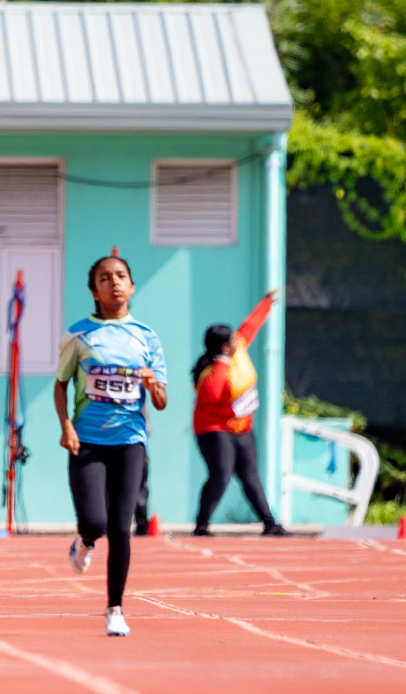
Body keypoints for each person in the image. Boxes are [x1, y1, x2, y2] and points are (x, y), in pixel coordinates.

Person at [54, 254, 167, 637]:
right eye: (105, 278)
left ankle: (115, 608)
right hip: (87, 441)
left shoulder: (146, 337)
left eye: (121, 276)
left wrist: (153, 386)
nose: (114, 282)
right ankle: (85, 540)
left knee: (121, 526)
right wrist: (66, 425)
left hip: (129, 441)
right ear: (94, 291)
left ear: (132, 286)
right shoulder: (79, 335)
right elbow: (60, 383)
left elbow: (162, 400)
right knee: (96, 522)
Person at [192, 289, 289, 536]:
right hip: (213, 429)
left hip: (242, 427)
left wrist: (266, 303)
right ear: (225, 347)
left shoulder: (240, 347)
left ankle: (270, 524)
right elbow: (212, 395)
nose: (238, 339)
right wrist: (223, 361)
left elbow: (250, 326)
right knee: (221, 474)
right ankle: (202, 525)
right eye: (232, 340)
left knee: (250, 476)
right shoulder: (209, 371)